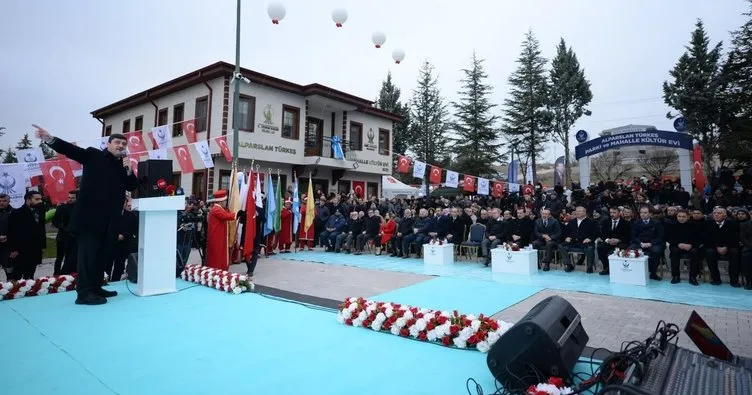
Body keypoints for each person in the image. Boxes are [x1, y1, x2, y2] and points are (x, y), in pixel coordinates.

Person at [35, 125, 138, 305]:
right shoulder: (94, 155)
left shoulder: (122, 165)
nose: (121, 146)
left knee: (102, 256)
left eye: (124, 143)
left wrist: (129, 169)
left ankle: (96, 287)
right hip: (90, 219)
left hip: (110, 221)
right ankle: (84, 293)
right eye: (117, 142)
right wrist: (50, 139)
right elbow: (71, 151)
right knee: (88, 257)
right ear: (108, 144)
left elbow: (131, 186)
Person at [7, 191, 46, 280]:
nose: (40, 201)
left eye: (40, 199)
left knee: (30, 275)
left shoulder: (40, 211)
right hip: (21, 250)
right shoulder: (17, 213)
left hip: (35, 248)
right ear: (28, 200)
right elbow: (12, 232)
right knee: (17, 275)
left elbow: (40, 229)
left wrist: (42, 245)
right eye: (37, 199)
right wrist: (14, 249)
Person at [205, 190, 242, 271]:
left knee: (220, 256)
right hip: (217, 238)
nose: (226, 202)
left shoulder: (218, 208)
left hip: (219, 237)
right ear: (221, 201)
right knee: (217, 257)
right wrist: (236, 214)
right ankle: (217, 271)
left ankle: (220, 270)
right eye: (225, 201)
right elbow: (224, 216)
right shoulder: (216, 209)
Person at [51, 190, 78, 275]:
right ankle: (56, 273)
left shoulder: (80, 208)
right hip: (62, 237)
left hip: (74, 237)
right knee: (59, 257)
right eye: (69, 197)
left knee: (71, 257)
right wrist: (62, 227)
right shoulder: (62, 208)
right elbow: (55, 221)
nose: (70, 199)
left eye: (72, 198)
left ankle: (68, 273)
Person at [0, 194, 12, 279]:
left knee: (10, 273)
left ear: (8, 201)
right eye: (0, 201)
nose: (1, 203)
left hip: (8, 248)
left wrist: (9, 237)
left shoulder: (14, 213)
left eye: (4, 201)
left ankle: (10, 290)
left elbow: (18, 231)